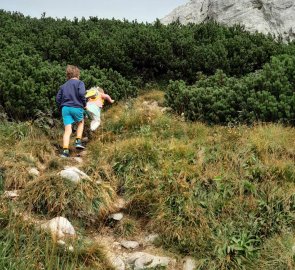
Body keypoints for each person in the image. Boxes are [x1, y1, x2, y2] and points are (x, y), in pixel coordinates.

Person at [56, 65, 86, 157]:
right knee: (80, 122)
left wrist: (61, 106)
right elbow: (81, 94)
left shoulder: (63, 86)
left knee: (67, 130)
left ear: (68, 75)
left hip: (65, 108)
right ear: (78, 74)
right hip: (77, 107)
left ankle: (65, 151)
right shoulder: (80, 83)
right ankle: (78, 141)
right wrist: (84, 104)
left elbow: (57, 99)